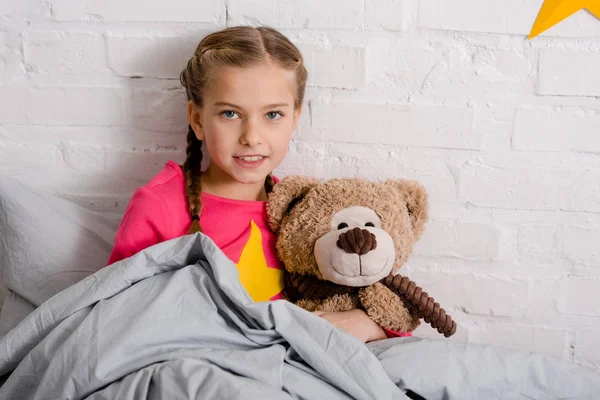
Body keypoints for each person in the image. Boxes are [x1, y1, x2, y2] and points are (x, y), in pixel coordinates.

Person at [106, 25, 402, 343]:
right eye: (231, 114)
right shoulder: (160, 206)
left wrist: (367, 323)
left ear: (295, 119)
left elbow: (384, 302)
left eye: (272, 115)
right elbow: (118, 318)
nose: (251, 137)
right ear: (197, 119)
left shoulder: (305, 212)